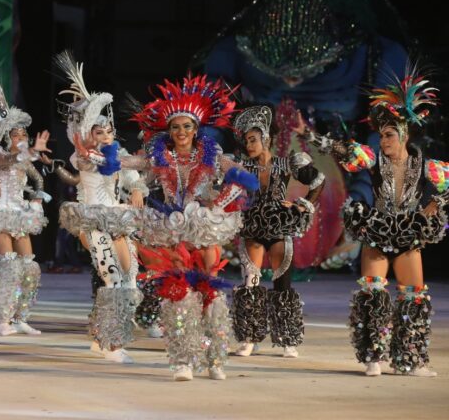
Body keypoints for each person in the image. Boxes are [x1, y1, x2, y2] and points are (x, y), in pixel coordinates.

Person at [293, 66, 446, 377]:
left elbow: (444, 190)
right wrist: (308, 135)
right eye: (381, 135)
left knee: (414, 296)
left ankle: (410, 359)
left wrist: (432, 207)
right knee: (373, 293)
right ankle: (373, 357)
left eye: (389, 135)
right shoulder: (374, 159)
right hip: (378, 231)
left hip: (408, 235)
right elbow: (344, 150)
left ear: (404, 134)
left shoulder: (429, 167)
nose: (383, 140)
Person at [116, 74, 258, 381]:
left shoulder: (213, 154)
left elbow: (237, 173)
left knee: (210, 291)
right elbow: (130, 165)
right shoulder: (159, 156)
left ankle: (215, 357)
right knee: (178, 291)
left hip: (204, 228)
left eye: (187, 126)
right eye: (176, 127)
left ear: (196, 129)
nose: (181, 132)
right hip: (172, 229)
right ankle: (183, 358)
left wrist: (222, 198)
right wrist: (102, 158)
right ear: (169, 131)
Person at [54, 51, 147, 363]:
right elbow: (83, 161)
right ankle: (112, 344)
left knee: (130, 275)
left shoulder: (117, 155)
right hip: (91, 219)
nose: (105, 135)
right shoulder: (82, 157)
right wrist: (86, 140)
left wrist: (137, 187)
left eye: (108, 131)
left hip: (117, 218)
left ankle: (98, 336)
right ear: (87, 135)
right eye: (99, 132)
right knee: (112, 279)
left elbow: (135, 170)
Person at [230, 104, 324, 358]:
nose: (249, 145)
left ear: (266, 139)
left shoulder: (286, 162)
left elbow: (317, 180)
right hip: (252, 226)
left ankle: (286, 339)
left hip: (280, 226)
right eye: (246, 141)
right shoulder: (241, 166)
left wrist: (303, 205)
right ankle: (249, 338)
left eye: (253, 140)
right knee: (251, 280)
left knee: (282, 282)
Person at [0, 72, 51, 336]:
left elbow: (33, 175)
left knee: (29, 266)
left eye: (24, 134)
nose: (21, 137)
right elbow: (6, 163)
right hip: (0, 211)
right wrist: (27, 153)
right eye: (16, 134)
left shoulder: (25, 157)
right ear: (5, 137)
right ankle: (2, 319)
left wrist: (37, 192)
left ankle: (21, 316)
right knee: (8, 265)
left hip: (20, 213)